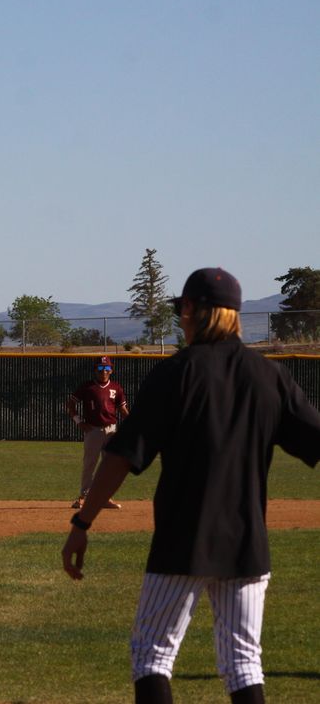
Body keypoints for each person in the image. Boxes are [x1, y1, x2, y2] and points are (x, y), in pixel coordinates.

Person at [61, 268, 320, 704]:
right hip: (246, 544)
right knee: (243, 663)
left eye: (182, 308)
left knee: (151, 656)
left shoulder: (175, 374)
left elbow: (121, 457)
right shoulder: (269, 376)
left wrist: (82, 523)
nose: (180, 317)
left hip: (181, 540)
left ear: (195, 311)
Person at [66, 355, 130, 509]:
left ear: (111, 370)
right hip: (93, 430)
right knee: (90, 464)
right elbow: (70, 405)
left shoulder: (116, 387)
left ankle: (105, 498)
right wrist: (79, 421)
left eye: (107, 368)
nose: (103, 371)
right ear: (95, 370)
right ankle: (84, 496)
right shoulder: (88, 387)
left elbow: (122, 409)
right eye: (100, 368)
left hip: (111, 430)